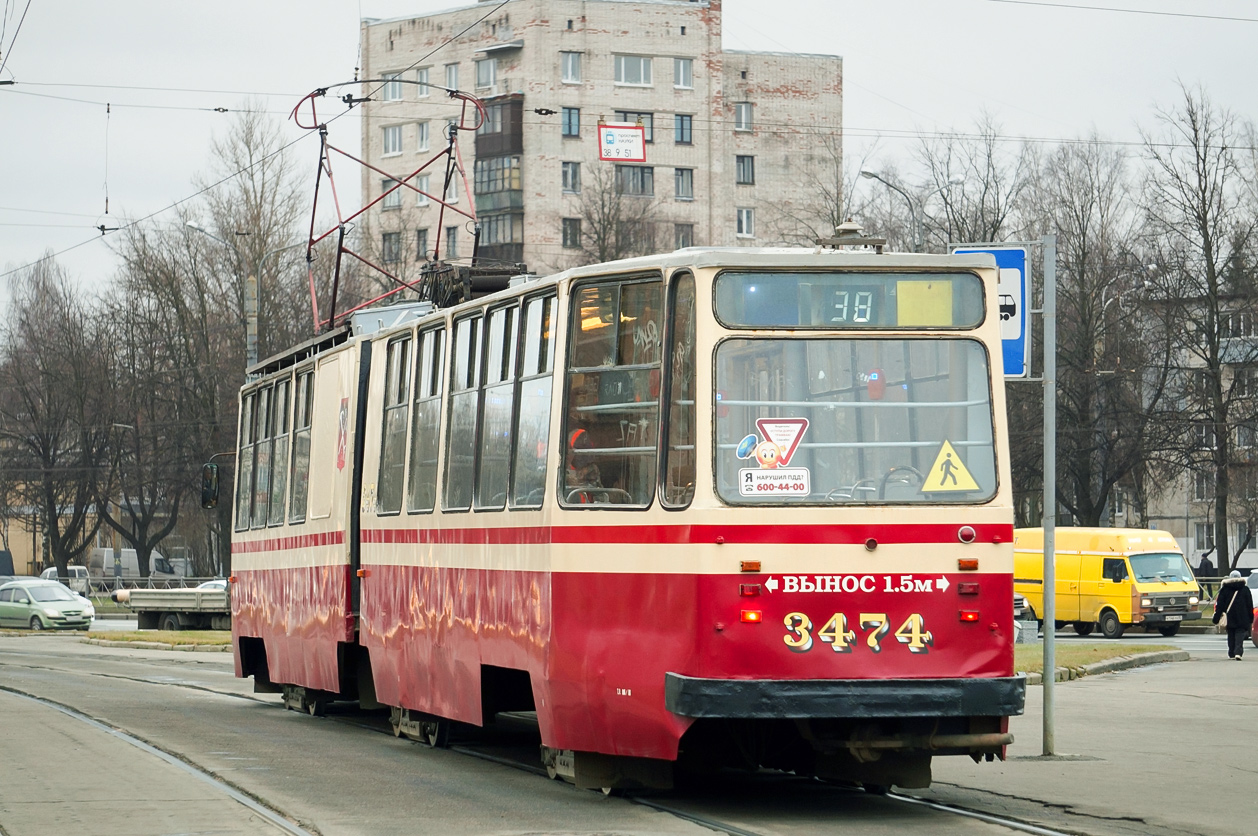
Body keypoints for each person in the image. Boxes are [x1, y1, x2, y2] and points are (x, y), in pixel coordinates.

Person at [1212, 570, 1254, 661]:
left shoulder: (1224, 589)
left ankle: (1231, 652)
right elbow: (1249, 604)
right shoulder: (1245, 589)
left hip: (1229, 616)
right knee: (1240, 633)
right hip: (1243, 616)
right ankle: (1238, 652)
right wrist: (1251, 617)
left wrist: (1216, 617)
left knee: (1231, 633)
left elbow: (1220, 605)